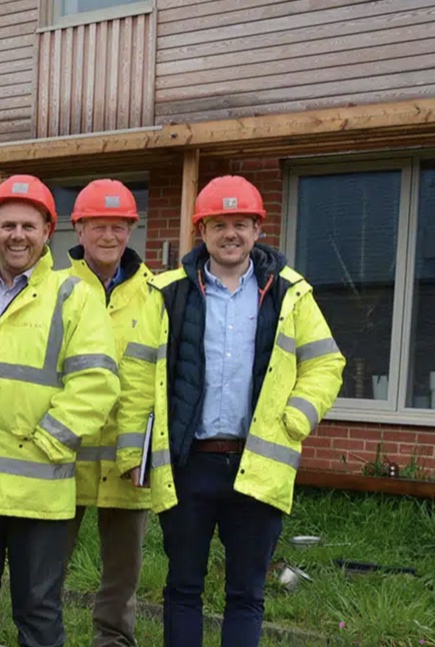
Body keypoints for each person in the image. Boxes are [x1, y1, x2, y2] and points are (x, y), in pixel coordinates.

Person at [147, 175, 344, 647]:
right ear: (202, 231)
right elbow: (143, 375)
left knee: (246, 594)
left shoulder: (291, 292)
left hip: (257, 464)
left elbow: (325, 361)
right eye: (218, 224)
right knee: (182, 589)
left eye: (240, 223)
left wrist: (296, 417)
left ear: (258, 229)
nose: (229, 233)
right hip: (189, 464)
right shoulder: (169, 290)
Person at [0, 174, 119, 647]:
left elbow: (98, 381)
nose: (17, 235)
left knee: (39, 617)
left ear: (47, 232)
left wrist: (48, 440)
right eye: (7, 225)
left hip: (39, 490)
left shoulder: (73, 296)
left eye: (28, 225)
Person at [59, 179, 176, 647]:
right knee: (48, 565)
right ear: (79, 229)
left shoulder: (155, 294)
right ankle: (44, 636)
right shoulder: (56, 289)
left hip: (129, 462)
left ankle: (113, 641)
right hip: (64, 454)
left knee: (122, 573)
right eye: (98, 226)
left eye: (119, 227)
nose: (109, 236)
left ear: (131, 230)